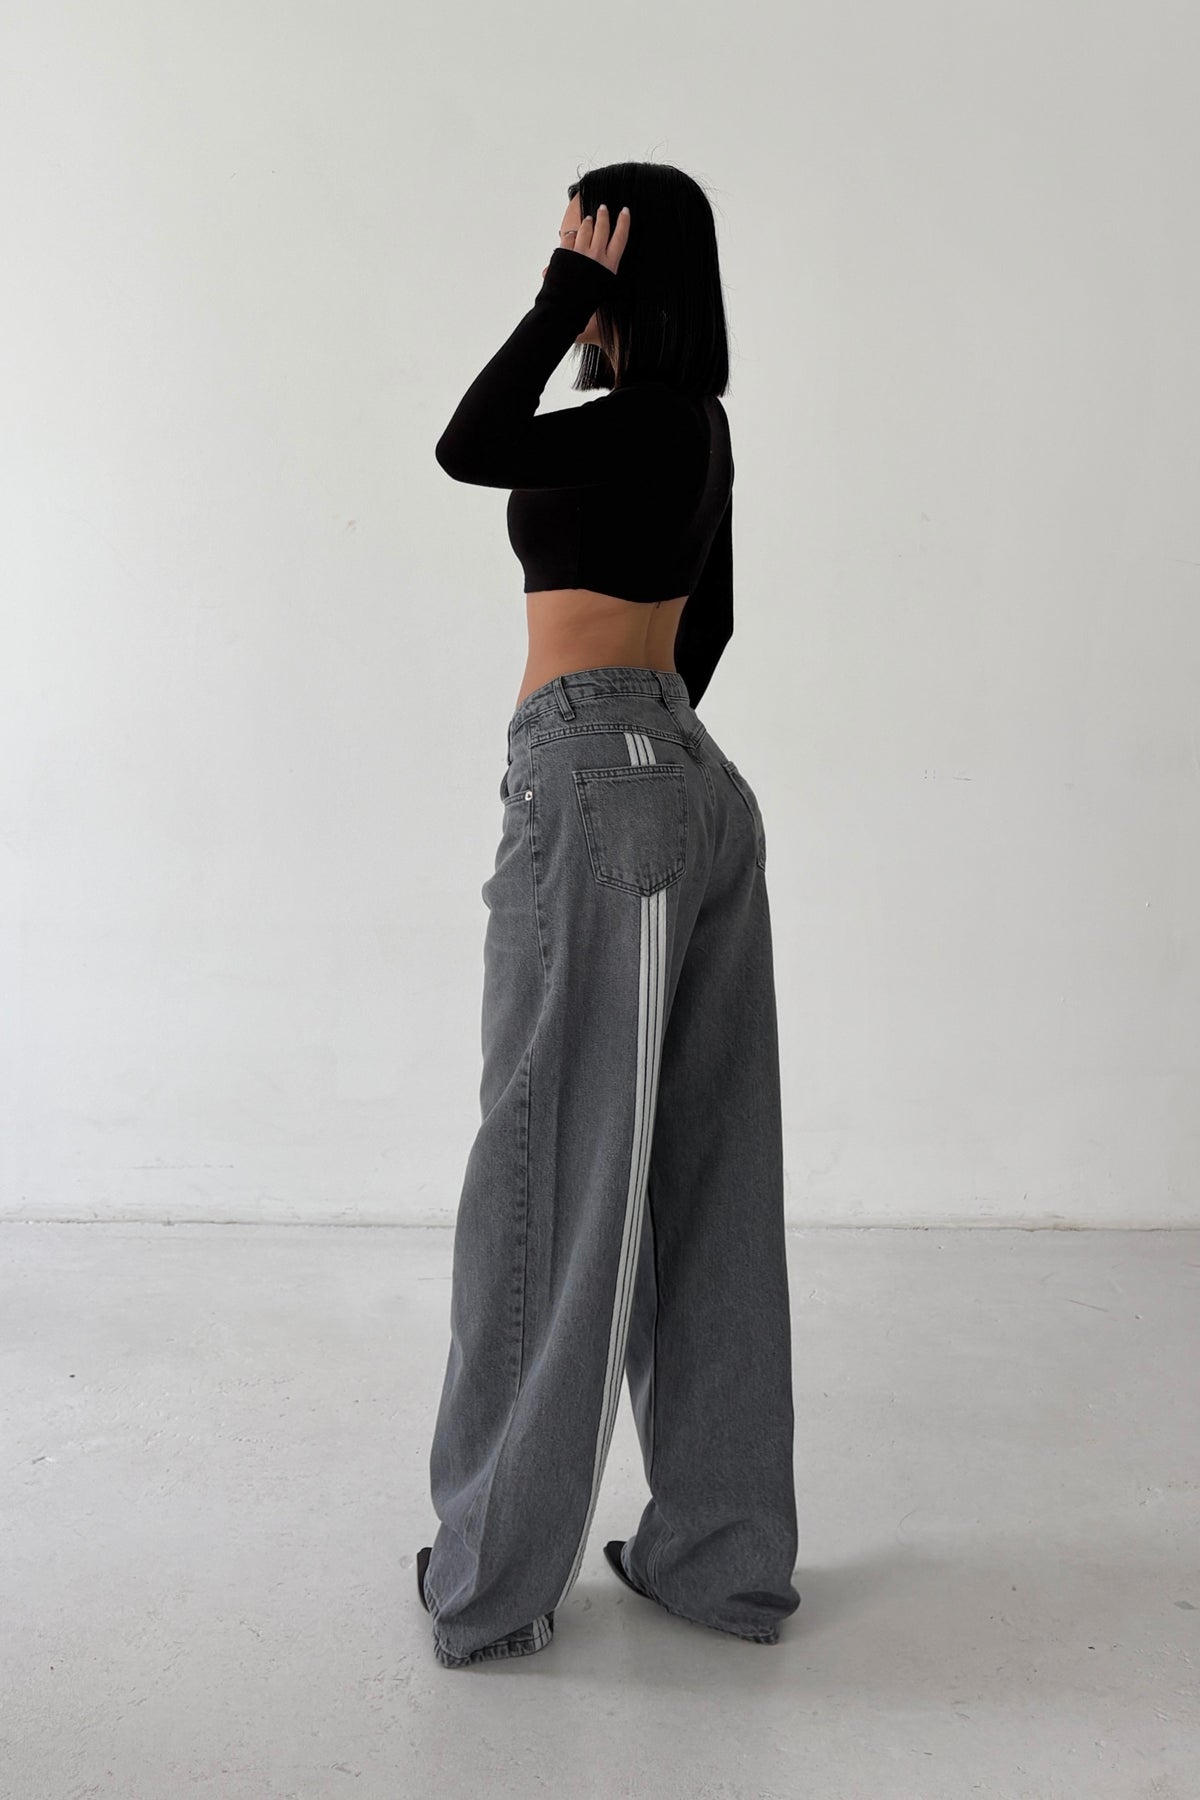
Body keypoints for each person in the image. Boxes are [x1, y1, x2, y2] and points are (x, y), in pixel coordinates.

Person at [417, 162, 801, 1668]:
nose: (568, 255)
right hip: (694, 783)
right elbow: (716, 620)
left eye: (586, 235)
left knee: (546, 1175)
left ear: (623, 260)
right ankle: (721, 1564)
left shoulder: (635, 415)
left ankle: (490, 1582)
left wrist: (555, 300)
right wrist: (652, 743)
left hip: (598, 776)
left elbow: (468, 444)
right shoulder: (695, 431)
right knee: (707, 1186)